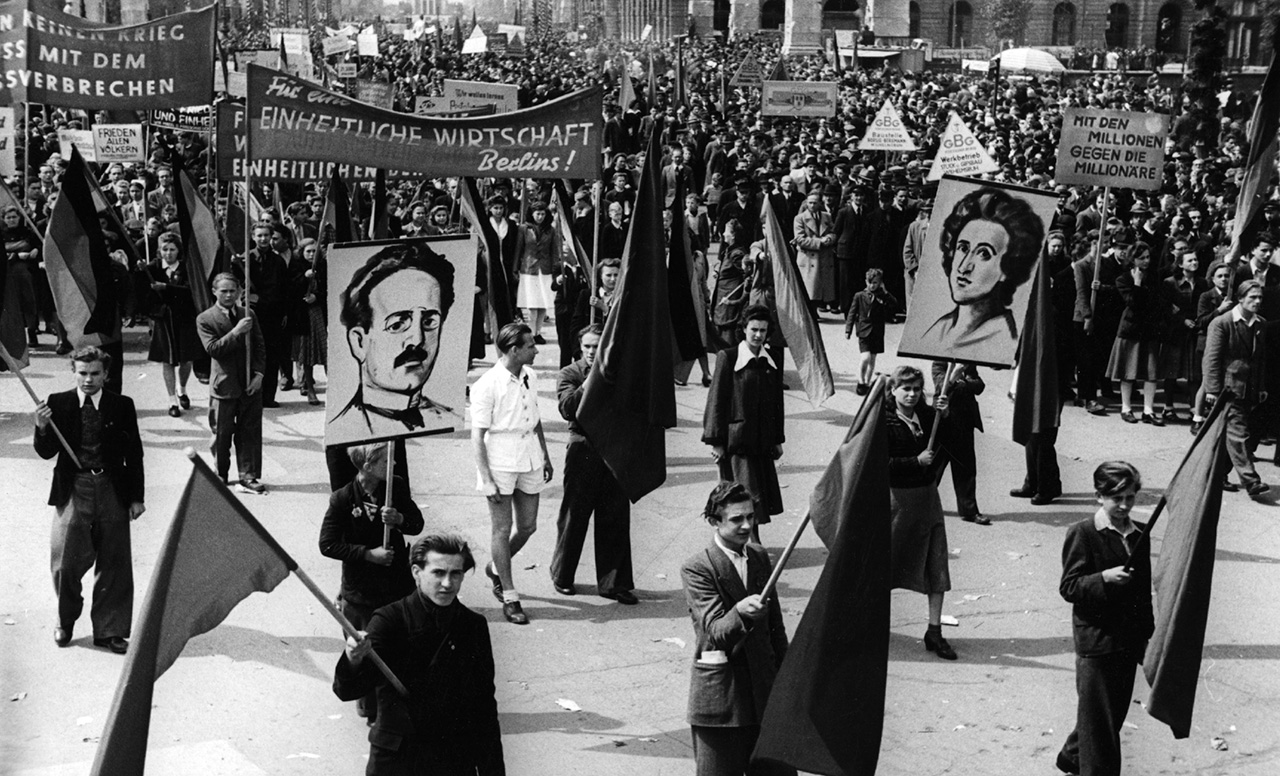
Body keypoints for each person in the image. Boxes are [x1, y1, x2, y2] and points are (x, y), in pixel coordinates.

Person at [334, 534, 504, 775]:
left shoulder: (472, 626)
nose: (447, 583)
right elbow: (347, 690)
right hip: (398, 759)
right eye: (438, 573)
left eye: (456, 573)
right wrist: (353, 657)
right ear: (416, 572)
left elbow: (484, 706)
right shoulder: (389, 620)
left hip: (452, 759)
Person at [34, 346, 145, 654]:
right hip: (74, 486)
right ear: (73, 372)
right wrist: (42, 428)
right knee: (65, 563)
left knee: (114, 562)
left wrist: (136, 498)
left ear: (106, 374)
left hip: (111, 486)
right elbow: (46, 452)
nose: (88, 380)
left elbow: (134, 452)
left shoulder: (121, 405)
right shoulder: (59, 403)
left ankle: (110, 630)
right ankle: (65, 620)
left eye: (95, 373)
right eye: (82, 373)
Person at [680, 482, 792, 776]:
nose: (746, 525)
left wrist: (789, 677)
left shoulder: (758, 556)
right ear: (714, 522)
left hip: (765, 694)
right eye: (736, 519)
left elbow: (775, 627)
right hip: (723, 700)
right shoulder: (698, 567)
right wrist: (740, 612)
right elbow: (713, 631)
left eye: (750, 517)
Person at [1056, 461, 1154, 776]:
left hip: (1127, 642)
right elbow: (1069, 586)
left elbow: (1142, 592)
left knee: (1106, 716)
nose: (1125, 505)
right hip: (1096, 642)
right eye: (1117, 498)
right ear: (1099, 496)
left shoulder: (1140, 534)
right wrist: (1103, 579)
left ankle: (1073, 757)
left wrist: (1147, 637)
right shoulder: (1083, 533)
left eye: (1130, 497)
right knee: (1101, 730)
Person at [319, 443, 425, 722]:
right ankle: (369, 705)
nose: (394, 465)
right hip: (361, 592)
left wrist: (400, 518)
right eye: (386, 461)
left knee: (398, 645)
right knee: (365, 648)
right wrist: (368, 555)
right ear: (367, 466)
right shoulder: (342, 499)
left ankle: (395, 702)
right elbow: (327, 544)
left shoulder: (396, 488)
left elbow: (416, 524)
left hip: (396, 586)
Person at [329, 242, 459, 442]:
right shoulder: (344, 430)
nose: (417, 339)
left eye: (429, 322)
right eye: (397, 324)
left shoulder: (449, 419)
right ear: (359, 342)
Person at [470, 323, 553, 625]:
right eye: (531, 346)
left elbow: (537, 418)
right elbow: (477, 437)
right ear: (514, 350)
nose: (536, 350)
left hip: (529, 454)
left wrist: (544, 455)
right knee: (501, 530)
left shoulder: (529, 375)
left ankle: (495, 567)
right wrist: (487, 478)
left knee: (528, 526)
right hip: (501, 460)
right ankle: (509, 594)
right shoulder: (487, 385)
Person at [550, 325, 637, 604]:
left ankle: (614, 583)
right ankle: (562, 575)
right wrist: (590, 382)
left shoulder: (619, 372)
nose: (591, 352)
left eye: (596, 346)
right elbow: (568, 409)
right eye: (586, 346)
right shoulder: (570, 374)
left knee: (614, 515)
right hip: (583, 447)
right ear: (579, 348)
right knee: (575, 516)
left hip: (614, 448)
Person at [916, 187, 1043, 362]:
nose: (964, 266)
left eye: (984, 253)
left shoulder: (1002, 338)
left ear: (1008, 268)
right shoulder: (939, 329)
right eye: (963, 248)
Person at [885, 365, 956, 660]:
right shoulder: (885, 422)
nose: (912, 395)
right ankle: (874, 628)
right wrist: (914, 461)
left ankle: (934, 631)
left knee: (936, 566)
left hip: (928, 500)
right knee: (887, 568)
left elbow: (949, 443)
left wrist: (946, 414)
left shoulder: (927, 415)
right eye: (906, 389)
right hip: (897, 504)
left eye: (916, 389)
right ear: (893, 391)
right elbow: (878, 464)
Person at [703, 305, 785, 540]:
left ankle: (744, 541)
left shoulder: (772, 359)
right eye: (754, 329)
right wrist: (715, 441)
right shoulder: (728, 358)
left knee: (757, 493)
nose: (758, 335)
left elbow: (777, 403)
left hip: (763, 440)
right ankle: (753, 542)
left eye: (763, 330)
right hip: (738, 440)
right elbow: (716, 401)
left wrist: (778, 439)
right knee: (747, 493)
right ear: (744, 329)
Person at [196, 272, 267, 495]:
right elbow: (214, 349)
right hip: (224, 385)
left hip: (249, 384)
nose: (228, 295)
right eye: (223, 291)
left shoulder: (249, 314)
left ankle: (248, 475)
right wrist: (236, 331)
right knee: (221, 433)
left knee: (249, 432)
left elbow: (260, 347)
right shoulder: (205, 319)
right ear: (214, 292)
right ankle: (221, 473)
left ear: (239, 292)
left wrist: (259, 375)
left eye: (232, 291)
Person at [1202, 279, 1269, 497]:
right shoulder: (1222, 323)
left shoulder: (1260, 324)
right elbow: (1211, 358)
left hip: (1249, 388)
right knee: (1239, 433)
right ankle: (1251, 480)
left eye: (1260, 298)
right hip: (1228, 388)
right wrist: (1212, 390)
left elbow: (1259, 360)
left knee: (1232, 435)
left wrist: (1260, 387)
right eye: (1252, 297)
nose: (1257, 302)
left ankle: (1217, 475)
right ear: (1240, 298)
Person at [1105, 242, 1165, 425]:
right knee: (1128, 372)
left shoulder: (1154, 277)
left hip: (1150, 329)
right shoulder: (1123, 279)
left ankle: (1148, 410)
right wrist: (1137, 284)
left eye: (1148, 257)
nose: (1146, 261)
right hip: (1130, 330)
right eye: (1142, 258)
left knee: (1151, 373)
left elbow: (1157, 302)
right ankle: (1126, 408)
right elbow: (1133, 303)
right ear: (1133, 259)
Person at [144, 233, 200, 418]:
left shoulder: (186, 268)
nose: (168, 254)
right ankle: (172, 401)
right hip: (163, 319)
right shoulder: (152, 268)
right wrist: (139, 271)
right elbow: (142, 292)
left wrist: (167, 288)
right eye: (164, 249)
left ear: (179, 251)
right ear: (159, 251)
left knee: (186, 359)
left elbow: (190, 291)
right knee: (167, 360)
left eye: (172, 250)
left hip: (184, 318)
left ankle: (181, 389)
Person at [845, 268, 898, 396]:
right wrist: (848, 329)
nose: (871, 285)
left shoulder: (882, 295)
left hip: (877, 331)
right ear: (865, 281)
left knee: (872, 359)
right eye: (869, 282)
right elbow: (852, 313)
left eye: (875, 282)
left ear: (880, 283)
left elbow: (894, 305)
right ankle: (861, 380)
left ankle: (867, 383)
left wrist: (885, 293)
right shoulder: (859, 296)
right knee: (865, 357)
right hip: (864, 330)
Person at [291, 238, 327, 406]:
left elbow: (329, 289)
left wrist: (316, 297)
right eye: (308, 252)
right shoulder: (296, 267)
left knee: (327, 352)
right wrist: (305, 278)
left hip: (321, 314)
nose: (311, 255)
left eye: (314, 251)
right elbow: (291, 289)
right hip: (304, 317)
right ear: (301, 252)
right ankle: (310, 388)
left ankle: (333, 387)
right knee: (307, 354)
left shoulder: (324, 266)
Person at [515, 200, 556, 344]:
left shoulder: (551, 230)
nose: (540, 217)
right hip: (528, 268)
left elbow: (554, 251)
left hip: (545, 269)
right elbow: (518, 249)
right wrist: (515, 268)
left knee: (543, 303)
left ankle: (538, 332)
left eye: (543, 214)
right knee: (532, 304)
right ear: (532, 214)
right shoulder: (524, 229)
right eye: (537, 214)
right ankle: (531, 333)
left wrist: (556, 270)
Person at [792, 188, 837, 315]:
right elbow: (800, 239)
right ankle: (811, 312)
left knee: (821, 288)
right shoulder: (799, 218)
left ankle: (816, 309)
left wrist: (829, 238)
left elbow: (833, 232)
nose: (812, 205)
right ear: (806, 203)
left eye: (815, 202)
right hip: (808, 258)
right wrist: (819, 242)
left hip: (823, 258)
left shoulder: (826, 216)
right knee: (809, 289)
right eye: (810, 202)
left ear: (820, 203)